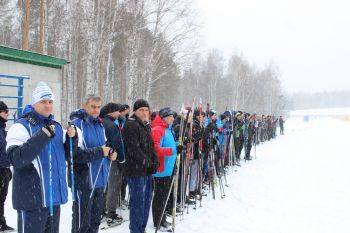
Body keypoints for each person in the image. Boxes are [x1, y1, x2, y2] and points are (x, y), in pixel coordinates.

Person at [6, 82, 75, 233]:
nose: (48, 105)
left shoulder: (56, 127)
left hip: (53, 201)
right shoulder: (20, 126)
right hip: (32, 202)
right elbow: (16, 159)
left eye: (50, 101)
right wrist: (42, 135)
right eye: (43, 101)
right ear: (35, 103)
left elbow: (68, 156)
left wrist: (72, 139)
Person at [69, 95, 117, 233]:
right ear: (85, 106)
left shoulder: (100, 125)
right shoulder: (77, 125)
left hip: (100, 181)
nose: (96, 110)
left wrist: (111, 154)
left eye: (98, 107)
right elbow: (75, 155)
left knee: (95, 222)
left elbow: (105, 147)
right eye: (93, 107)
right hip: (84, 181)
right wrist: (100, 151)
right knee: (82, 224)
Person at [123, 99, 159, 233]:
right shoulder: (131, 125)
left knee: (146, 203)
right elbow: (134, 150)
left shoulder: (145, 125)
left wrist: (155, 160)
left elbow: (150, 146)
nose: (144, 112)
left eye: (146, 110)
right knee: (137, 205)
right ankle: (136, 230)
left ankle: (142, 228)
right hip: (135, 171)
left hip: (146, 171)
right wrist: (148, 163)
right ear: (135, 111)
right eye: (141, 110)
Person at [151, 108, 177, 232]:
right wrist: (173, 150)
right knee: (159, 197)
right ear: (164, 117)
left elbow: (170, 146)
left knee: (164, 195)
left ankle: (162, 218)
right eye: (170, 116)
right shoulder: (157, 130)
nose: (173, 119)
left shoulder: (167, 130)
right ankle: (158, 221)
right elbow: (156, 149)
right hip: (161, 170)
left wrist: (177, 146)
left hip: (168, 169)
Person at [100, 103, 126, 227]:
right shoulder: (111, 125)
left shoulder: (102, 122)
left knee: (106, 185)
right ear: (112, 112)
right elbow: (117, 143)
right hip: (113, 158)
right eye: (117, 111)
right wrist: (121, 158)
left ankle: (103, 210)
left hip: (104, 157)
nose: (119, 114)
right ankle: (111, 214)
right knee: (114, 186)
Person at [0, 101, 14, 232]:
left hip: (4, 168)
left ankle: (1, 223)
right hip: (1, 168)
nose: (8, 114)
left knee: (2, 198)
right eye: (5, 111)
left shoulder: (2, 129)